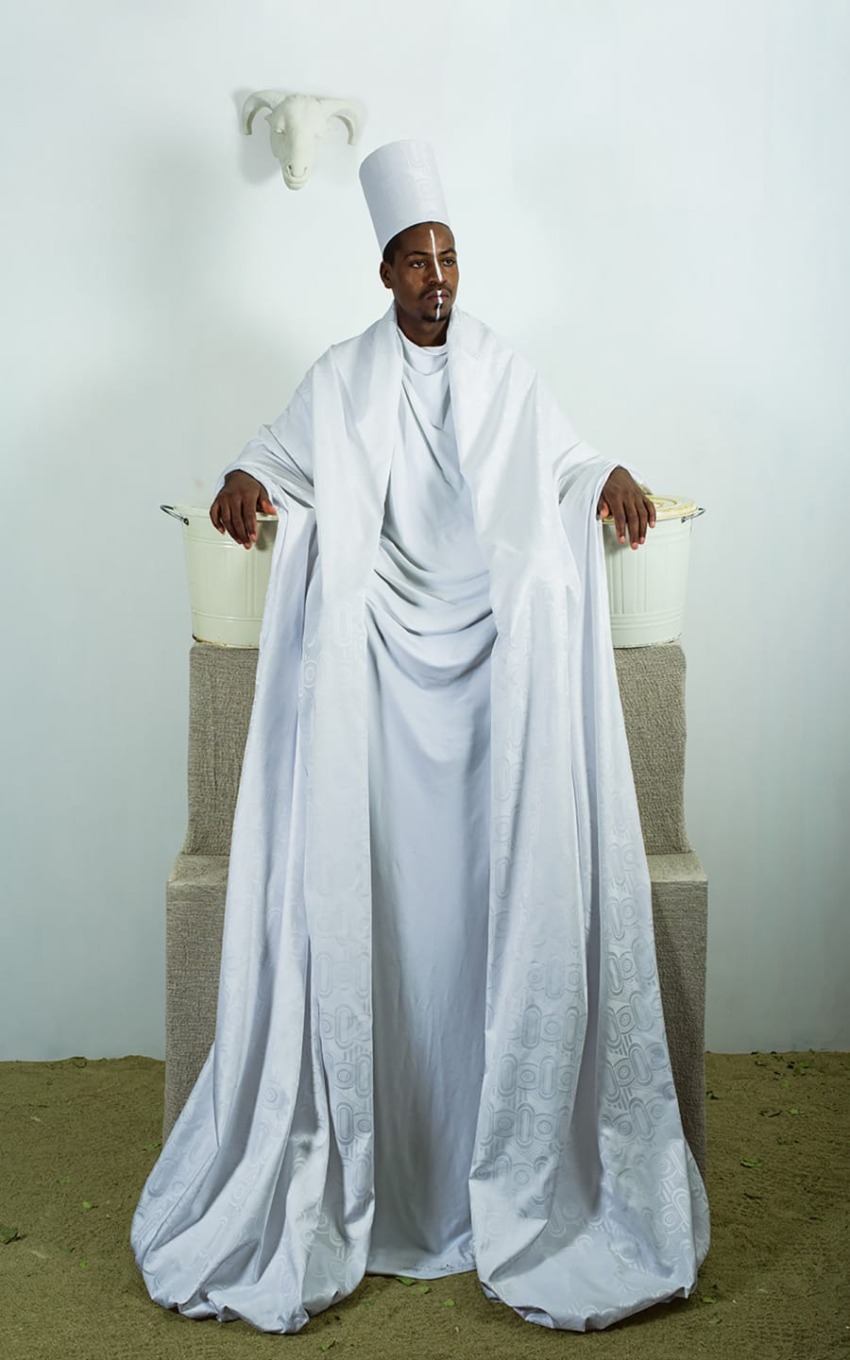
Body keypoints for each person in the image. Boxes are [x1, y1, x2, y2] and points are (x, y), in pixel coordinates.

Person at [131, 139, 709, 1334]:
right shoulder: (340, 376)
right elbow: (275, 459)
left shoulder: (504, 369)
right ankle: (367, 1165)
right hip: (375, 685)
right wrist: (243, 477)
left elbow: (563, 457)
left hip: (492, 667)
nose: (439, 276)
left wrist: (606, 475)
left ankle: (506, 1171)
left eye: (449, 255)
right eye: (417, 258)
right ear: (384, 271)